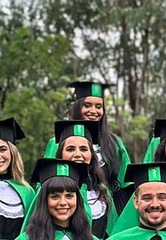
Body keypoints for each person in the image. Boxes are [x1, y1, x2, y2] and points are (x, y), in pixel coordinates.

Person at [43, 81, 132, 211]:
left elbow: (125, 182)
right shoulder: (57, 143)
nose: (93, 111)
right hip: (65, 209)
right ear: (78, 107)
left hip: (105, 213)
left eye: (98, 106)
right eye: (87, 105)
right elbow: (46, 182)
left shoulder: (114, 143)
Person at [53, 119, 117, 238]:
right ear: (60, 154)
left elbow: (113, 234)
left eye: (83, 149)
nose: (78, 154)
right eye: (70, 149)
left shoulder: (102, 191)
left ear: (92, 155)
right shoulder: (49, 189)